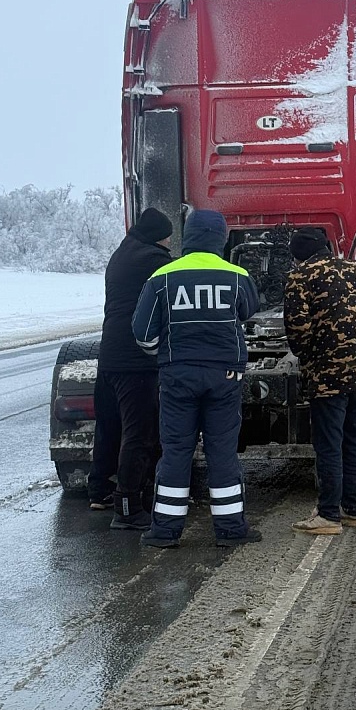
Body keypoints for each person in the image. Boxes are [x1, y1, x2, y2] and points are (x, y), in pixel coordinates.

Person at [132, 209, 262, 549]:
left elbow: (142, 332)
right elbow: (249, 311)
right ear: (220, 239)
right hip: (225, 376)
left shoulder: (162, 276)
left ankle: (165, 532)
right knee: (222, 451)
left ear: (187, 238)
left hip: (178, 376)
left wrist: (168, 356)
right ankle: (231, 530)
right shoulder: (237, 275)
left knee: (176, 450)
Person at [284, 226, 356, 535]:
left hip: (326, 377)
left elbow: (298, 329)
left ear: (297, 255)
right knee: (352, 441)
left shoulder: (300, 277)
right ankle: (352, 510)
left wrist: (309, 354)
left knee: (329, 444)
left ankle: (328, 515)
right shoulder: (353, 269)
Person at [87, 207, 173, 531]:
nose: (168, 242)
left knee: (109, 426)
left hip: (109, 354)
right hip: (136, 359)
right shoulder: (153, 260)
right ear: (157, 235)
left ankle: (100, 491)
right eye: (166, 237)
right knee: (140, 433)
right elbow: (177, 281)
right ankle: (128, 506)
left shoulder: (120, 255)